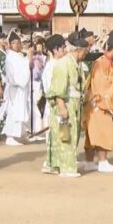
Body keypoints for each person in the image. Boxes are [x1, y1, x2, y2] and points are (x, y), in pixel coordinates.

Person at [46, 32, 89, 178]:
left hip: (75, 102)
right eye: (85, 51)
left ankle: (64, 164)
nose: (86, 54)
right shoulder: (63, 63)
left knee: (73, 135)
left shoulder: (76, 64)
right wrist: (61, 107)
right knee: (66, 136)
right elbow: (59, 88)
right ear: (78, 50)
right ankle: (66, 168)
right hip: (66, 102)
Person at [83, 34, 113, 173]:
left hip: (96, 103)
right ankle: (102, 161)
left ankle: (89, 162)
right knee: (103, 132)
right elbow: (101, 84)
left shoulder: (106, 63)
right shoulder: (101, 63)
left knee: (92, 134)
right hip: (99, 103)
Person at [0, 31, 32, 146]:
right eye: (14, 43)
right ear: (10, 44)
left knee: (21, 110)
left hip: (22, 88)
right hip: (15, 88)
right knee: (14, 112)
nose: (17, 45)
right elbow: (13, 74)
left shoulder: (19, 55)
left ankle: (19, 134)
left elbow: (24, 67)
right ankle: (10, 136)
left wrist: (28, 60)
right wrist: (27, 61)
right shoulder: (10, 57)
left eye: (18, 42)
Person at [41, 34, 65, 174]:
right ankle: (51, 163)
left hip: (60, 103)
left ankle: (59, 161)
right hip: (55, 104)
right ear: (55, 50)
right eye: (62, 47)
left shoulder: (59, 64)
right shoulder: (52, 66)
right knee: (54, 135)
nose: (65, 50)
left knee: (61, 134)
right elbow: (51, 89)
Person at [29, 38, 48, 141]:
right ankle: (35, 128)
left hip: (40, 82)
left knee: (39, 105)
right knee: (34, 105)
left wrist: (39, 61)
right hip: (32, 82)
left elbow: (43, 69)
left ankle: (40, 128)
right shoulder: (31, 57)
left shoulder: (44, 57)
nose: (39, 48)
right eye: (38, 46)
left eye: (41, 46)